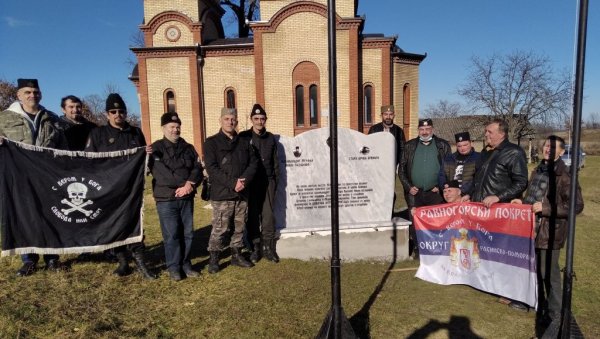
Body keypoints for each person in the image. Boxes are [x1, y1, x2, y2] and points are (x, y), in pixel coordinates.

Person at [511, 136, 583, 333]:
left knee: (549, 275)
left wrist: (546, 208)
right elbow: (534, 196)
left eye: (553, 148)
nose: (547, 150)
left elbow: (576, 205)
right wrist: (523, 203)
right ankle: (536, 305)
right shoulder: (538, 170)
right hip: (531, 228)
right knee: (533, 269)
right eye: (546, 146)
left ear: (561, 152)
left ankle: (556, 317)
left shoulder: (565, 174)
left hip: (550, 232)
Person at [85, 93, 157, 279]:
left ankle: (141, 263)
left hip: (131, 189)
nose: (118, 114)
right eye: (113, 111)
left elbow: (143, 159)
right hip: (108, 189)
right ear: (107, 114)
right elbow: (88, 161)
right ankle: (123, 261)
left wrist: (146, 152)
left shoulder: (135, 132)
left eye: (121, 111)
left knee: (134, 223)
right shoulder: (98, 134)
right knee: (113, 225)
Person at [0, 78, 68, 276]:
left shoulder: (52, 118)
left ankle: (52, 258)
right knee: (25, 216)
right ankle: (29, 259)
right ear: (18, 95)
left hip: (48, 177)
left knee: (51, 215)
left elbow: (63, 148)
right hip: (19, 178)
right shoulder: (4, 119)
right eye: (27, 92)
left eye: (36, 92)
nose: (32, 95)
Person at [149, 112, 203, 281]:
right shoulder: (155, 149)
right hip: (166, 198)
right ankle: (174, 267)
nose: (175, 130)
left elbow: (197, 168)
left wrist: (190, 184)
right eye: (172, 127)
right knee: (172, 234)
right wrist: (184, 184)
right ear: (163, 128)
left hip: (185, 197)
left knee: (188, 233)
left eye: (177, 126)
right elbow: (161, 174)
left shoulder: (188, 148)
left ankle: (186, 264)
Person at [203, 107, 258, 273]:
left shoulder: (244, 142)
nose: (230, 122)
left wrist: (244, 180)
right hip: (222, 193)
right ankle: (214, 258)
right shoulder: (211, 142)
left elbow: (253, 163)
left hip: (242, 193)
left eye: (233, 119)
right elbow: (212, 168)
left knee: (239, 226)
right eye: (226, 119)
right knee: (220, 227)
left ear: (237, 122)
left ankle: (236, 255)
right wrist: (233, 183)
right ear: (220, 121)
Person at [399, 118, 451, 257]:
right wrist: (408, 186)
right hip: (415, 193)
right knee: (415, 222)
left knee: (436, 221)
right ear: (418, 130)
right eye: (422, 129)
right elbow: (401, 169)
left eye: (428, 129)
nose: (425, 132)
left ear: (432, 129)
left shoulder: (442, 145)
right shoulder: (409, 146)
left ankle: (438, 248)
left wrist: (440, 187)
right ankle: (419, 249)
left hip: (435, 193)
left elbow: (449, 169)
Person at [239, 103, 280, 263]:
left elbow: (275, 162)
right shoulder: (243, 137)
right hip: (251, 183)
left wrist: (275, 182)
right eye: (256, 118)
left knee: (268, 216)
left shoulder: (270, 138)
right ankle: (255, 248)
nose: (259, 121)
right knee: (253, 216)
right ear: (251, 119)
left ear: (265, 120)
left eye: (262, 118)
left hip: (267, 182)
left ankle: (268, 248)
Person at [464, 118, 528, 208]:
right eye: (486, 131)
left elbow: (521, 183)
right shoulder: (485, 152)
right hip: (479, 207)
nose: (486, 134)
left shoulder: (514, 152)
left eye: (490, 132)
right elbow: (477, 179)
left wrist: (498, 197)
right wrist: (470, 195)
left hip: (500, 209)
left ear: (502, 134)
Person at [439, 131, 480, 197]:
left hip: (469, 196)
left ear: (471, 143)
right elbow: (442, 176)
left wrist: (467, 193)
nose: (462, 148)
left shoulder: (479, 157)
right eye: (459, 146)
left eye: (465, 145)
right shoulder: (448, 159)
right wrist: (446, 189)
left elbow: (478, 179)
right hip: (450, 197)